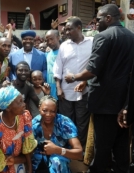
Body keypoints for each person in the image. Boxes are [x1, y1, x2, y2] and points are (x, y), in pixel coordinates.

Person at [64, 4, 134, 173]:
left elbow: (93, 69)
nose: (95, 22)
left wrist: (73, 77)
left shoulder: (103, 36)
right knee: (121, 146)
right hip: (125, 103)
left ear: (108, 18)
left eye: (98, 19)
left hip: (105, 103)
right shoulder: (131, 37)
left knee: (102, 146)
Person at [53, 18, 92, 149]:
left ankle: (80, 149)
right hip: (65, 92)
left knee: (82, 122)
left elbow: (95, 66)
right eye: (66, 29)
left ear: (79, 28)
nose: (67, 32)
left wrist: (85, 82)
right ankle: (67, 148)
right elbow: (58, 67)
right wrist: (58, 87)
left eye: (70, 29)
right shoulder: (64, 45)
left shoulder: (91, 43)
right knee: (66, 121)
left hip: (83, 91)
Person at [0, 86, 37, 173]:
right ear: (8, 108)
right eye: (20, 102)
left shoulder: (23, 117)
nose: (24, 104)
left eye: (23, 100)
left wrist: (29, 170)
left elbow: (28, 147)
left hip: (18, 161)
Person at [31, 95, 83, 172]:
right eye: (44, 110)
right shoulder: (34, 124)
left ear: (56, 111)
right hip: (38, 160)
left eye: (52, 111)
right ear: (39, 108)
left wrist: (57, 150)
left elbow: (79, 154)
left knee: (57, 162)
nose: (48, 114)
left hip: (59, 160)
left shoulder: (64, 123)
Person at [45, 30, 60, 100]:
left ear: (58, 38)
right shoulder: (47, 54)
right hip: (50, 90)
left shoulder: (64, 52)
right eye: (47, 40)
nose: (49, 42)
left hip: (61, 90)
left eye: (51, 39)